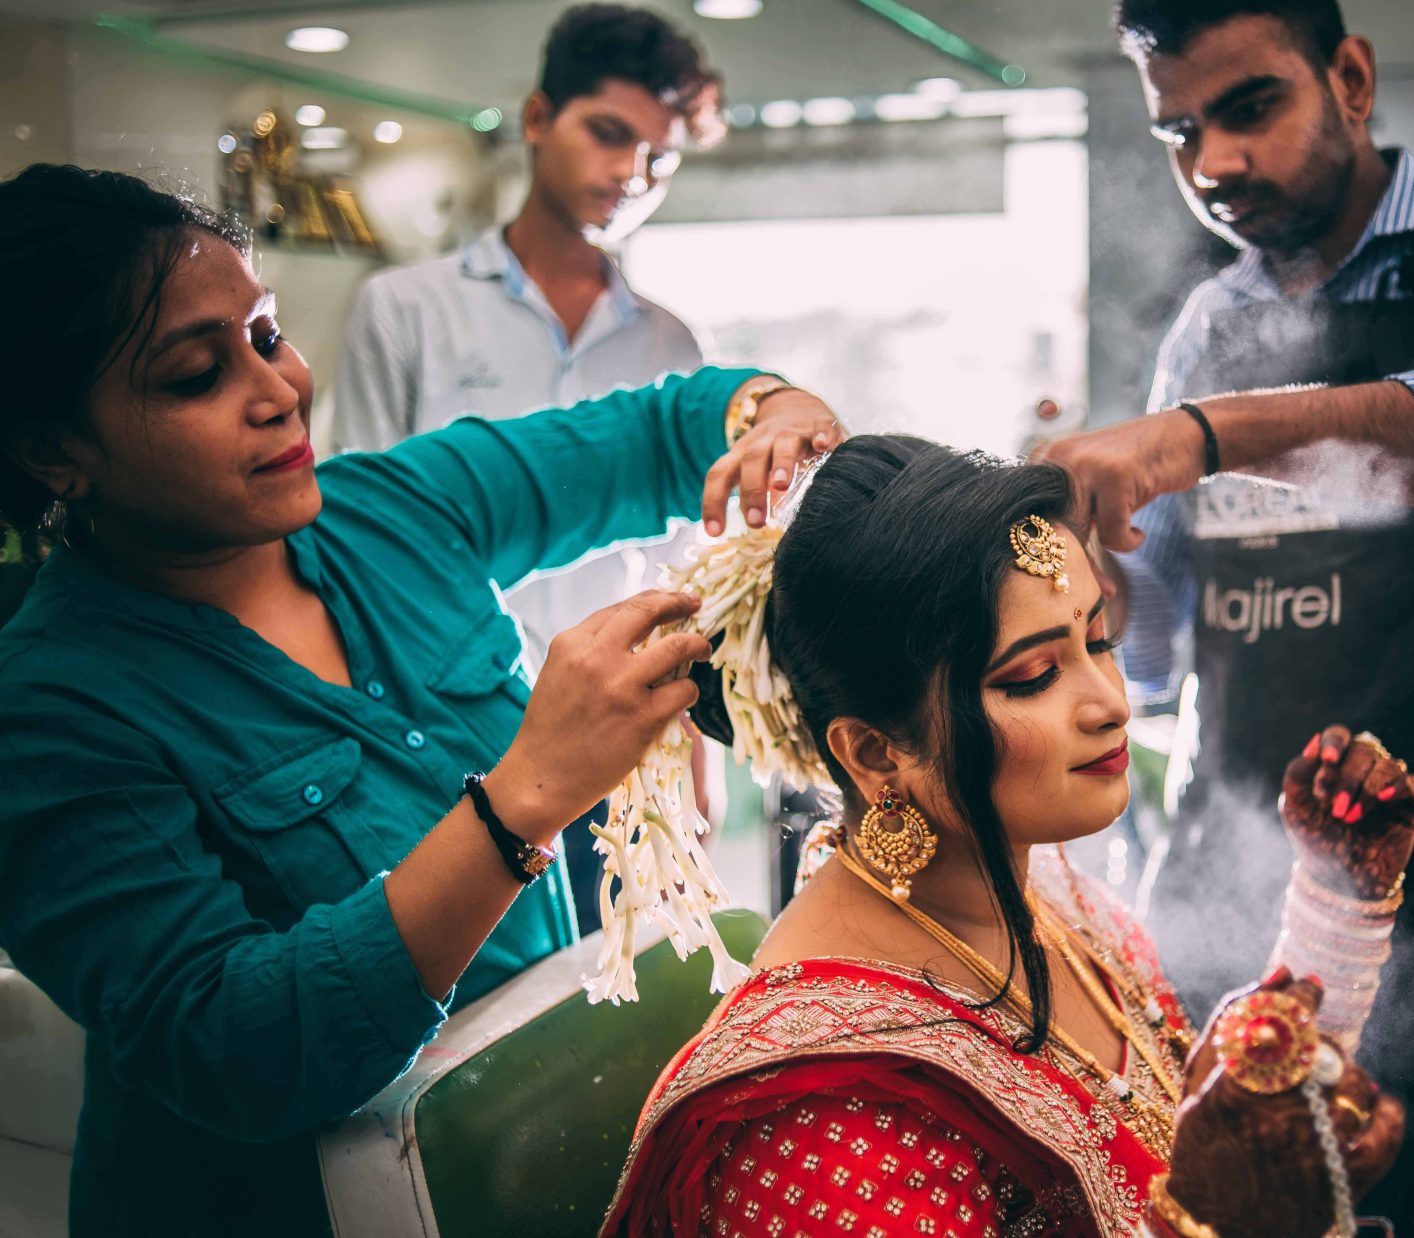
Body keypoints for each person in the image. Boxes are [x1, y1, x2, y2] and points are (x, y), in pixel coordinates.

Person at [0, 162, 842, 1238]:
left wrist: (772, 414)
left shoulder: (391, 509)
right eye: (194, 378)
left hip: (522, 1127)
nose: (279, 391)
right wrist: (525, 795)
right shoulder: (49, 709)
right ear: (55, 452)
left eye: (265, 337)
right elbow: (237, 1045)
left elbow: (666, 428)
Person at [1034, 1, 1414, 1232]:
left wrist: (1217, 436)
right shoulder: (1207, 330)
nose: (1213, 164)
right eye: (1179, 130)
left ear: (1352, 79)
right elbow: (1158, 647)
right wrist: (1080, 581)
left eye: (1249, 106)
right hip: (1245, 905)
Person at [601, 436, 1414, 1237]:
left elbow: (1220, 1149)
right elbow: (1213, 1195)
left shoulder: (1051, 898)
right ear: (875, 753)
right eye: (1032, 676)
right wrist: (1206, 1222)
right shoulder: (815, 1114)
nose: (1107, 700)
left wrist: (1335, 900)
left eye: (1095, 638)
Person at [333, 3, 730, 932]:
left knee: (610, 1008)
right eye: (609, 133)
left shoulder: (673, 341)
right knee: (469, 1011)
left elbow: (684, 565)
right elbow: (354, 544)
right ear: (538, 117)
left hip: (625, 731)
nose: (631, 173)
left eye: (660, 158)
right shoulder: (405, 309)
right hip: (450, 740)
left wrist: (696, 759)